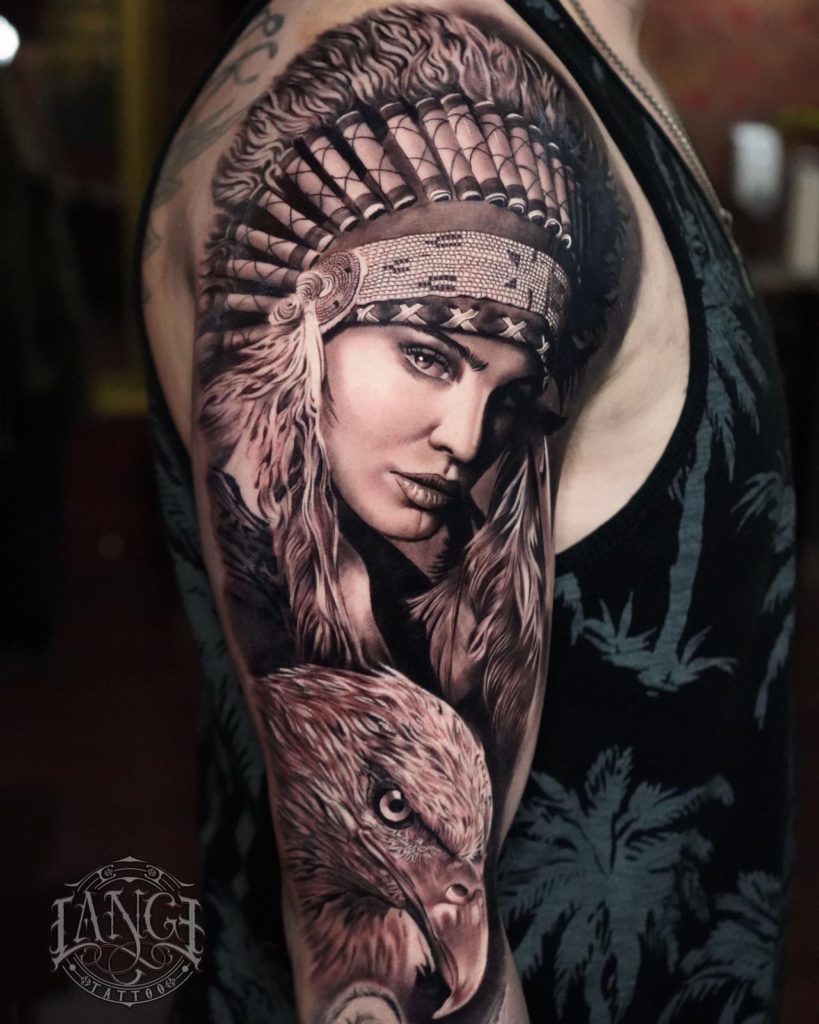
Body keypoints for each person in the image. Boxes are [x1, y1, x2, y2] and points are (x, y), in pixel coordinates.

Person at [139, 1, 795, 1022]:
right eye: (427, 355)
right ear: (315, 312)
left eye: (508, 394)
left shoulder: (562, 59)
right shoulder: (433, 64)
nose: (466, 435)